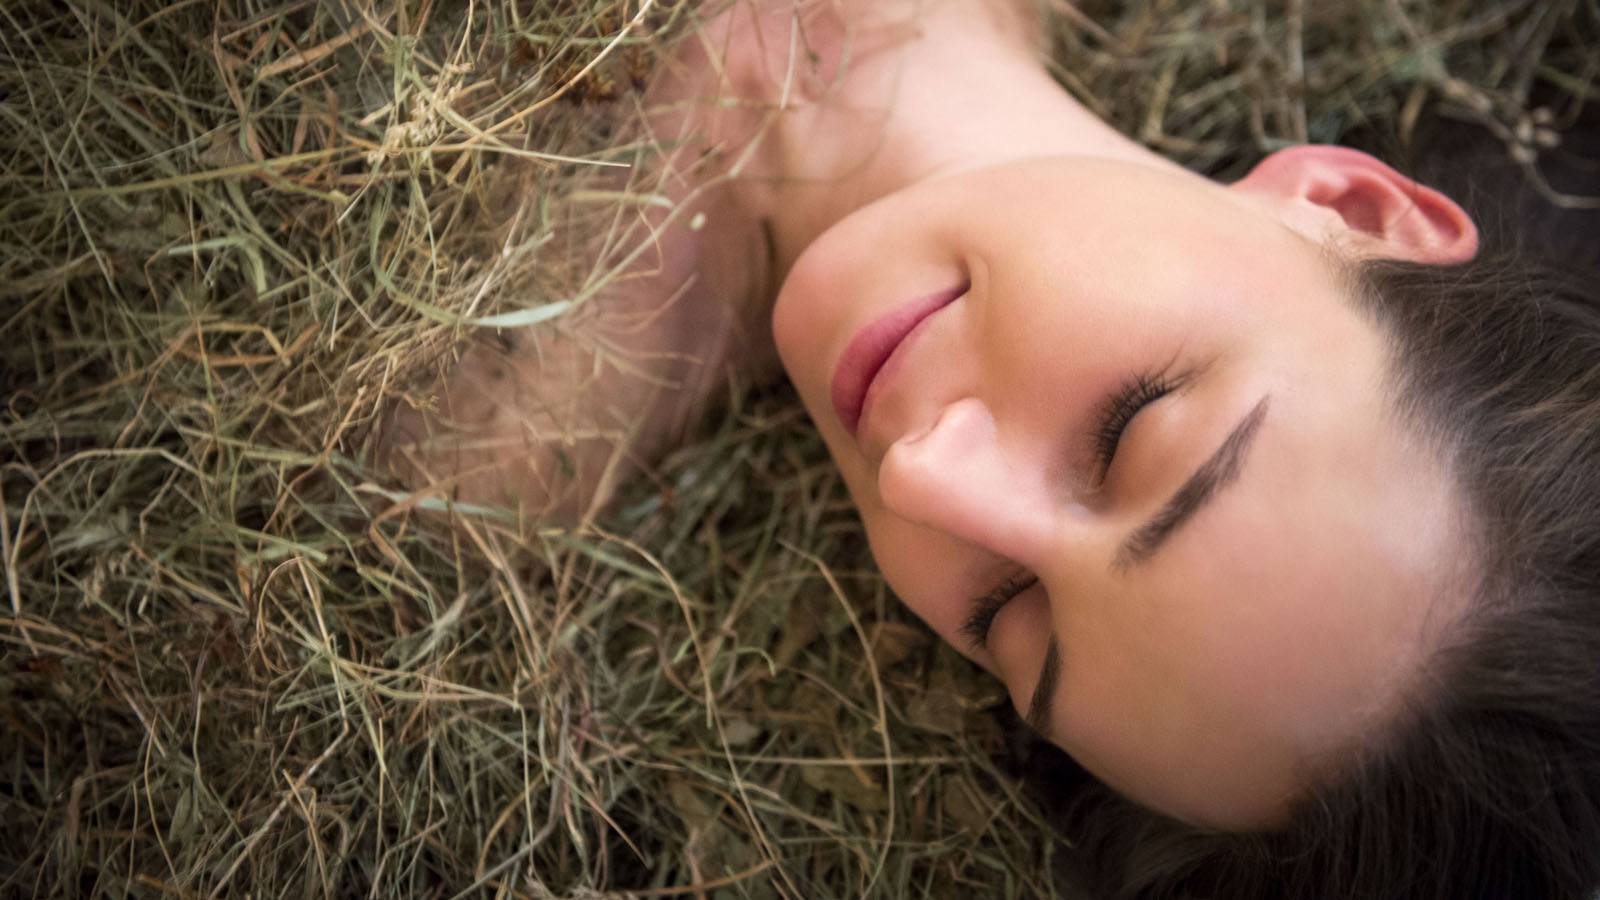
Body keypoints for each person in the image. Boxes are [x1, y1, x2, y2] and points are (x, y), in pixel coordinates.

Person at [377, 1, 1600, 896]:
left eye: (1008, 612)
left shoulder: (427, 431)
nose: (925, 478)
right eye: (1132, 428)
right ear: (1350, 210)